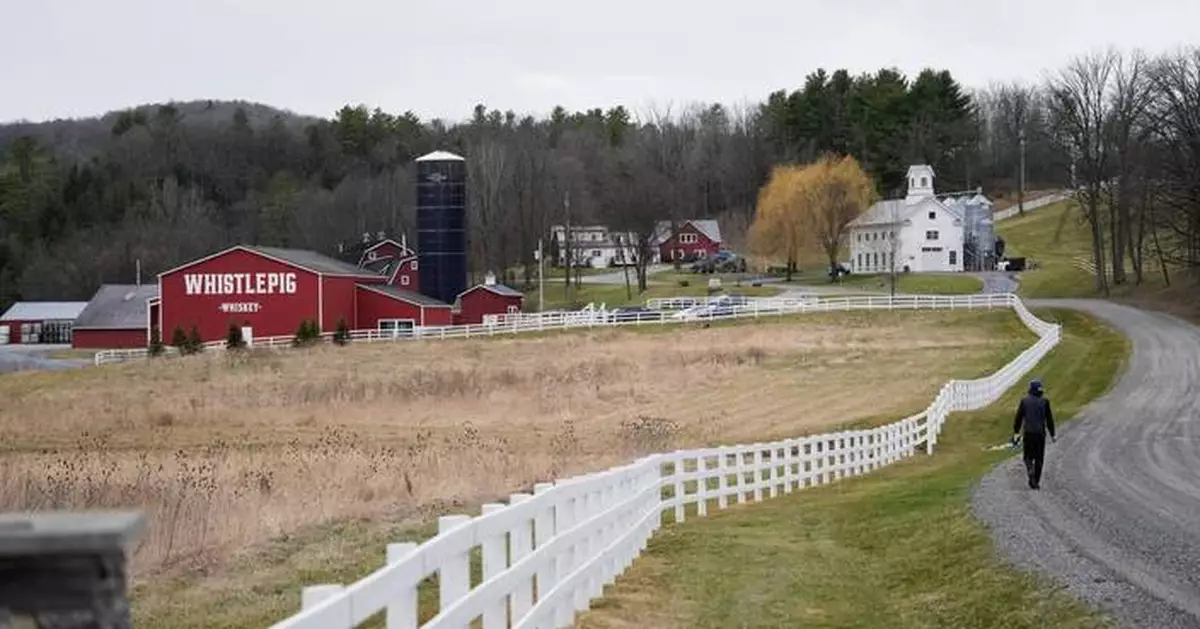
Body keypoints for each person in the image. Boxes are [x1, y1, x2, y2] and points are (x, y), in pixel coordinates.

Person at [1013, 378, 1056, 489]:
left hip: (1028, 432)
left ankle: (1030, 470)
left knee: (1027, 456)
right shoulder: (1045, 402)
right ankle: (1035, 481)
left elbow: (1019, 418)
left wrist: (1016, 432)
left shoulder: (1024, 401)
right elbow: (1049, 419)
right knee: (1039, 458)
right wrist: (1052, 434)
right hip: (1040, 434)